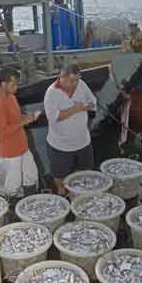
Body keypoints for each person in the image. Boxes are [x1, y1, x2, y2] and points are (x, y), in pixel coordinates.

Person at [44, 64, 97, 195]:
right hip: (61, 145)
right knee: (59, 174)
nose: (75, 84)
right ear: (62, 78)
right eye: (72, 80)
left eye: (77, 80)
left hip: (83, 141)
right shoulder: (51, 92)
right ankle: (61, 191)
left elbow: (92, 101)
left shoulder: (81, 84)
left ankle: (80, 192)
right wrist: (75, 109)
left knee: (85, 170)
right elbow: (53, 118)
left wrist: (88, 105)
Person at [0, 67, 40, 198]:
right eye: (13, 84)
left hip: (23, 147)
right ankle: (12, 210)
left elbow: (17, 118)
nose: (16, 87)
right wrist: (23, 122)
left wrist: (28, 117)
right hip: (11, 153)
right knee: (12, 187)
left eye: (17, 84)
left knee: (31, 177)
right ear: (3, 84)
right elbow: (3, 133)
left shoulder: (12, 97)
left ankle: (31, 200)